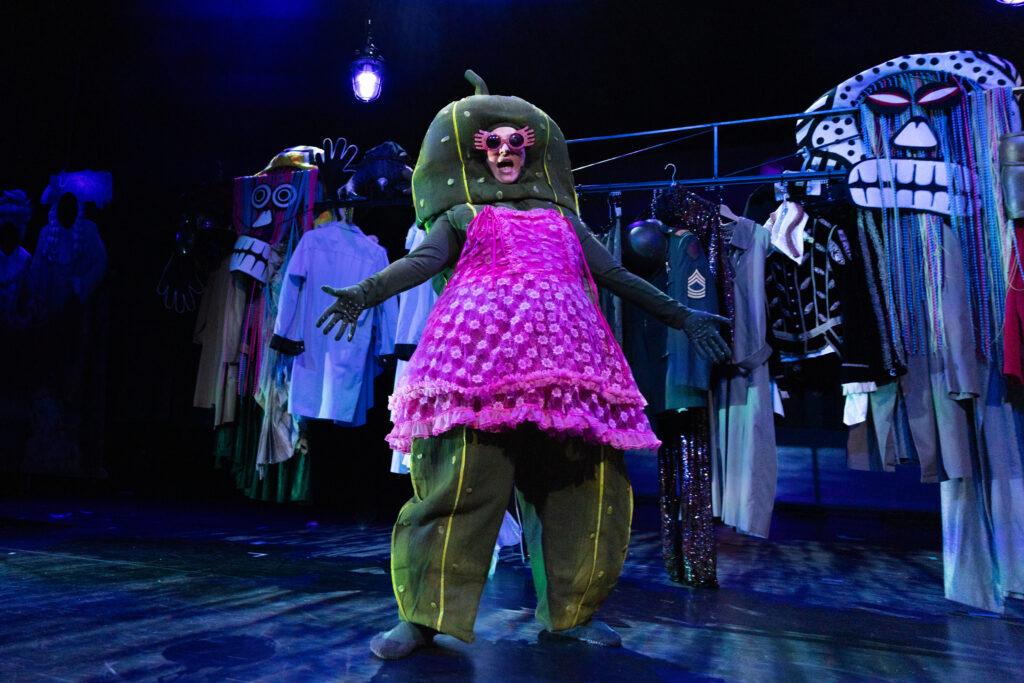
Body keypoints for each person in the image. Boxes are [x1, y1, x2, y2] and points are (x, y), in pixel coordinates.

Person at [318, 71, 729, 660]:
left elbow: (615, 274)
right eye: (492, 143)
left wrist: (682, 315)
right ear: (474, 154)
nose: (505, 152)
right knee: (460, 484)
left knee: (579, 488)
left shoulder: (564, 222)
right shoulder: (463, 217)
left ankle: (573, 610)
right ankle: (424, 617)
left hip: (567, 371)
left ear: (534, 152)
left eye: (518, 142)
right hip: (477, 369)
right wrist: (365, 292)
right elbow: (420, 262)